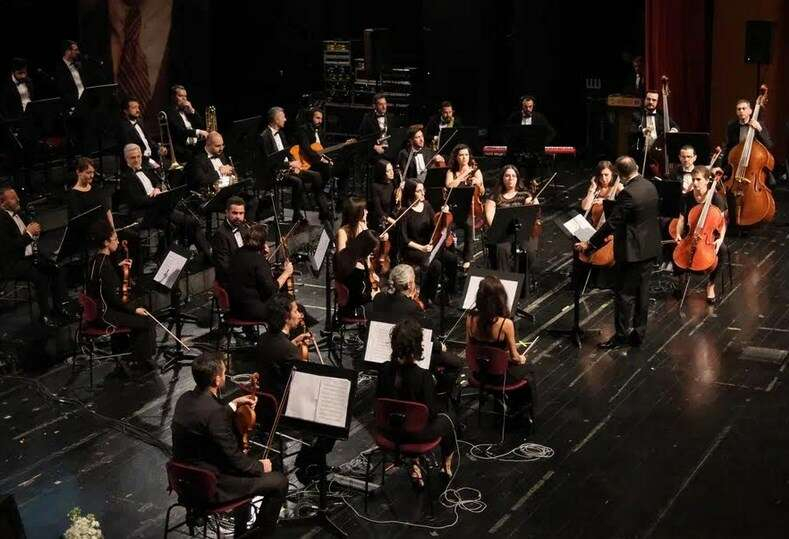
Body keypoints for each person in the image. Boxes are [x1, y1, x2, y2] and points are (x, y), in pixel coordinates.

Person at [171, 354, 288, 536]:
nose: (225, 376)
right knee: (279, 482)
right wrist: (260, 466)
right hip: (211, 486)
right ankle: (259, 535)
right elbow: (233, 458)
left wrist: (233, 404)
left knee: (246, 469)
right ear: (217, 380)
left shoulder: (184, 399)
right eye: (224, 373)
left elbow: (206, 420)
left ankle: (243, 530)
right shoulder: (214, 413)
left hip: (184, 482)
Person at [575, 156, 661, 349]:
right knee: (642, 293)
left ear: (619, 175)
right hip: (649, 248)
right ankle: (638, 334)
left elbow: (612, 223)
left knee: (624, 294)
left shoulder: (627, 193)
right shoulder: (650, 186)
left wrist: (590, 243)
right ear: (636, 167)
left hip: (632, 251)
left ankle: (621, 337)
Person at [376, 318, 457, 485]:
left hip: (388, 431)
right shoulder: (423, 376)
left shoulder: (383, 369)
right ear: (418, 346)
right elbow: (431, 413)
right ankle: (446, 463)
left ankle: (415, 465)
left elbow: (379, 401)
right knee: (449, 417)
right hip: (415, 435)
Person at [120, 143, 211, 260]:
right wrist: (155, 197)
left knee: (191, 221)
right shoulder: (125, 177)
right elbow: (136, 202)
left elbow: (157, 182)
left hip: (160, 207)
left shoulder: (146, 168)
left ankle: (204, 255)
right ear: (126, 159)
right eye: (133, 158)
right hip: (144, 213)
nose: (137, 160)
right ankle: (163, 256)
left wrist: (157, 189)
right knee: (175, 226)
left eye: (138, 156)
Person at [86, 220, 157, 371]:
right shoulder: (105, 267)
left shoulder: (96, 260)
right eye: (115, 239)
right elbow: (115, 299)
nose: (118, 242)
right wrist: (134, 309)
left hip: (100, 311)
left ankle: (128, 354)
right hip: (106, 315)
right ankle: (139, 360)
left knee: (139, 312)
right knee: (147, 320)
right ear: (106, 242)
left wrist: (118, 269)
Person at [0, 186, 69, 326]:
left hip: (29, 258)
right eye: (13, 198)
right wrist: (29, 234)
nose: (18, 199)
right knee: (41, 277)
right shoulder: (2, 220)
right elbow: (11, 247)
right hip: (13, 263)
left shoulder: (19, 214)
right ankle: (45, 316)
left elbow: (29, 235)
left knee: (56, 269)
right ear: (2, 202)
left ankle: (59, 308)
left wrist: (35, 233)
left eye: (16, 196)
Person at [466, 276, 534, 417]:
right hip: (499, 376)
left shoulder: (470, 318)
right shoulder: (506, 324)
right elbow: (514, 358)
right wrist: (521, 358)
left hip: (479, 373)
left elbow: (470, 347)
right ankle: (522, 411)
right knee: (529, 369)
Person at [258, 106, 331, 222]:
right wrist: (290, 165)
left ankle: (323, 210)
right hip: (275, 172)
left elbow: (288, 151)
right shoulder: (264, 137)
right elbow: (269, 162)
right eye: (283, 117)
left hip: (288, 167)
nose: (285, 119)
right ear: (276, 119)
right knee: (298, 182)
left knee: (316, 175)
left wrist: (295, 162)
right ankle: (296, 215)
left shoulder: (281, 133)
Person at [671, 166, 727, 304]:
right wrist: (678, 234)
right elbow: (682, 219)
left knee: (722, 250)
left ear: (707, 180)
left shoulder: (716, 198)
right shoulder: (686, 197)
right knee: (676, 248)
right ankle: (680, 280)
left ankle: (711, 285)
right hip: (691, 232)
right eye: (693, 179)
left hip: (709, 235)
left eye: (698, 179)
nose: (695, 183)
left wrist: (720, 239)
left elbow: (722, 223)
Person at [399, 180, 458, 305]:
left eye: (423, 190)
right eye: (419, 191)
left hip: (429, 246)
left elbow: (435, 224)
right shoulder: (404, 211)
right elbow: (404, 240)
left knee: (452, 259)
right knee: (436, 265)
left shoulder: (426, 205)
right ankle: (429, 296)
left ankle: (448, 292)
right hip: (413, 249)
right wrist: (422, 248)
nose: (423, 193)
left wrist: (443, 214)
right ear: (411, 193)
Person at [226, 223, 294, 321]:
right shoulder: (258, 260)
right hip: (252, 311)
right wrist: (286, 272)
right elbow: (271, 290)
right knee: (293, 308)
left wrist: (263, 257)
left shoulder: (237, 253)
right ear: (263, 243)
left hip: (235, 309)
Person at [483, 165, 538, 273]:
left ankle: (521, 279)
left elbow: (534, 214)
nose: (510, 178)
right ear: (502, 178)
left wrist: (533, 205)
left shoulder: (525, 195)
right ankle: (506, 279)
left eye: (513, 176)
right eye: (507, 175)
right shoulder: (494, 197)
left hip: (522, 233)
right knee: (502, 250)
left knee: (530, 252)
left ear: (517, 178)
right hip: (502, 234)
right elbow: (491, 220)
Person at [256, 294, 312, 398]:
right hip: (282, 400)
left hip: (265, 396)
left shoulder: (262, 338)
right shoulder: (289, 350)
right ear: (286, 318)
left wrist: (293, 342)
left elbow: (277, 353)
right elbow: (299, 384)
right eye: (296, 311)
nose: (300, 315)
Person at [334, 197, 381, 314]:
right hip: (350, 276)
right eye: (364, 210)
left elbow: (366, 256)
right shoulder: (343, 232)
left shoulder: (362, 226)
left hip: (360, 272)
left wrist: (371, 272)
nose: (367, 212)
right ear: (358, 213)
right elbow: (343, 262)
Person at [445, 144, 484, 268]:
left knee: (469, 224)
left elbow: (482, 192)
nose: (464, 158)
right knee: (446, 226)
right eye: (461, 155)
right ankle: (451, 255)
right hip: (455, 208)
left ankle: (467, 259)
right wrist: (463, 175)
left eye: (466, 155)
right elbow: (449, 185)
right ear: (456, 157)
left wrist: (479, 184)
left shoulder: (476, 171)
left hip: (470, 208)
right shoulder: (451, 172)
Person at [629, 90, 678, 178]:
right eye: (648, 99)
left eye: (654, 100)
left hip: (658, 152)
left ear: (657, 102)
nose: (651, 102)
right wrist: (643, 131)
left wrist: (670, 133)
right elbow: (632, 130)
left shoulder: (661, 114)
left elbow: (675, 126)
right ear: (644, 100)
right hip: (642, 151)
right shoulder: (637, 114)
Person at [722, 98, 774, 179]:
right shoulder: (732, 126)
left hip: (754, 165)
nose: (741, 111)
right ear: (736, 112)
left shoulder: (759, 125)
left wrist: (759, 129)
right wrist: (723, 169)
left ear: (750, 111)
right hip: (737, 165)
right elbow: (727, 148)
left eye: (744, 108)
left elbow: (769, 145)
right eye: (739, 109)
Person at [118, 97, 164, 170]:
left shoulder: (140, 122)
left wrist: (158, 148)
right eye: (134, 108)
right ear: (125, 111)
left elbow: (148, 140)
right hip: (141, 161)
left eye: (138, 107)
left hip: (153, 157)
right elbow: (131, 150)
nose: (138, 110)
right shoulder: (123, 128)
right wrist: (150, 161)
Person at [166, 84, 208, 162]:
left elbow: (201, 124)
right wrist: (198, 132)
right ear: (173, 97)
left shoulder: (187, 110)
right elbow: (180, 131)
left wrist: (192, 111)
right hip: (182, 150)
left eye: (185, 96)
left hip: (195, 146)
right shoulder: (169, 112)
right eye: (180, 96)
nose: (184, 99)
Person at [211, 196, 247, 287]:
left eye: (241, 213)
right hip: (230, 281)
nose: (238, 216)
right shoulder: (220, 235)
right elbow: (224, 267)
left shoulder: (243, 227)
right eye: (234, 213)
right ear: (226, 213)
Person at [580, 160, 622, 228]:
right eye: (601, 175)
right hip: (594, 225)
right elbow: (585, 207)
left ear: (612, 173)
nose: (603, 178)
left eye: (606, 175)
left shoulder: (617, 187)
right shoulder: (596, 187)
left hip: (609, 227)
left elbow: (625, 207)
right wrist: (592, 190)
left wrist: (604, 201)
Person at [358, 93, 397, 161]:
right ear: (374, 106)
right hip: (375, 153)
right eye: (381, 104)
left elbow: (395, 135)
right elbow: (362, 138)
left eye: (385, 104)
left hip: (390, 152)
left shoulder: (391, 117)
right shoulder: (368, 118)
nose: (384, 107)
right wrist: (374, 146)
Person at [54, 40, 86, 111]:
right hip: (73, 106)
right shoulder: (59, 69)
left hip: (85, 103)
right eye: (76, 50)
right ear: (68, 51)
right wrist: (75, 104)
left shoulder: (78, 65)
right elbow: (63, 91)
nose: (78, 52)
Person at [368, 159, 397, 233]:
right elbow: (378, 209)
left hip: (393, 217)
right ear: (382, 173)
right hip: (381, 221)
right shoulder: (375, 187)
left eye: (392, 169)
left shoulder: (393, 183)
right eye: (388, 171)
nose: (392, 172)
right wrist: (389, 219)